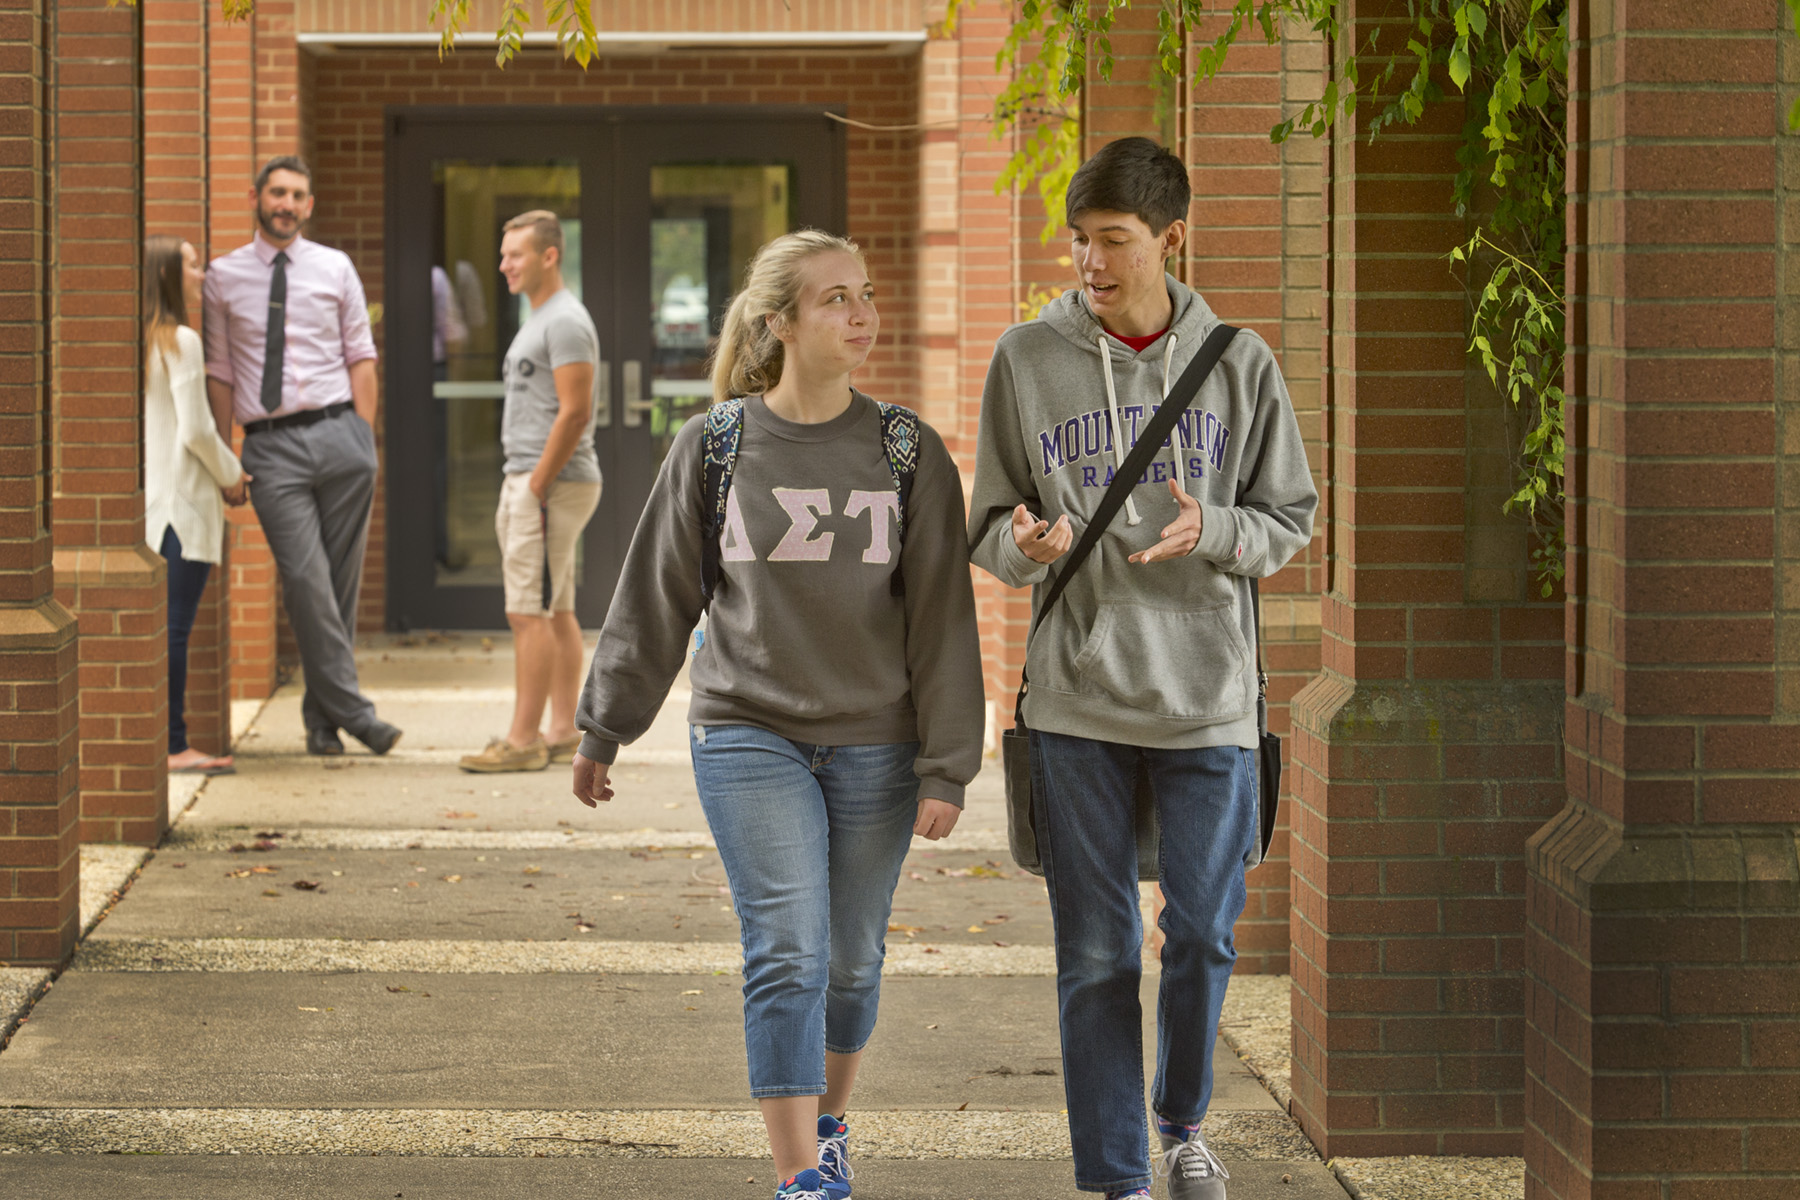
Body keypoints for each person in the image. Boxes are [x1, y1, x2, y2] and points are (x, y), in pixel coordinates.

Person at [570, 230, 983, 1200]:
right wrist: (603, 727)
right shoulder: (716, 445)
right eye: (835, 298)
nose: (860, 312)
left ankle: (831, 1125)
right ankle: (800, 1177)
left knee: (848, 960)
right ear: (781, 323)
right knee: (788, 945)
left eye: (866, 294)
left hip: (878, 742)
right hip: (746, 730)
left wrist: (948, 764)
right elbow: (654, 598)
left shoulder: (907, 449)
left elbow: (942, 619)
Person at [968, 137, 1318, 1200]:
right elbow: (985, 523)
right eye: (1079, 242)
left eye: (1112, 242)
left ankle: (1182, 1123)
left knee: (1206, 936)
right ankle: (1120, 1176)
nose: (1090, 262)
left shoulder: (1240, 363)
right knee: (1098, 955)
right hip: (1078, 698)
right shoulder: (1026, 359)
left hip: (1210, 697)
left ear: (1170, 238)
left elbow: (1290, 519)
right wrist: (1019, 548)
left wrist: (1215, 528)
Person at [203, 155, 401, 758]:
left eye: (297, 195)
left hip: (340, 433)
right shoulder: (221, 277)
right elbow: (219, 373)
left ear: (308, 206)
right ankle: (356, 713)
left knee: (337, 585)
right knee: (306, 581)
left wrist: (362, 438)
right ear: (257, 198)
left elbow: (360, 355)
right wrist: (223, 458)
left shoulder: (334, 267)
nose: (286, 203)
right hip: (270, 447)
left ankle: (321, 721)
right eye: (277, 192)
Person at [459, 211, 603, 773]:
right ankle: (563, 730)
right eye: (503, 254)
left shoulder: (565, 321)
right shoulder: (543, 318)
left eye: (514, 255)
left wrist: (536, 484)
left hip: (549, 483)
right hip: (541, 480)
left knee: (528, 613)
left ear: (549, 256)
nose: (503, 265)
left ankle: (522, 742)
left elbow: (575, 412)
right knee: (556, 606)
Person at [143, 234, 248, 776]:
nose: (201, 272)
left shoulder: (140, 342)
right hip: (181, 511)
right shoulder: (180, 340)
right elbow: (198, 430)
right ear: (165, 274)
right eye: (190, 264)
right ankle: (173, 745)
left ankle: (168, 741)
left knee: (165, 628)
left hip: (151, 510)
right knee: (175, 628)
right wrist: (234, 476)